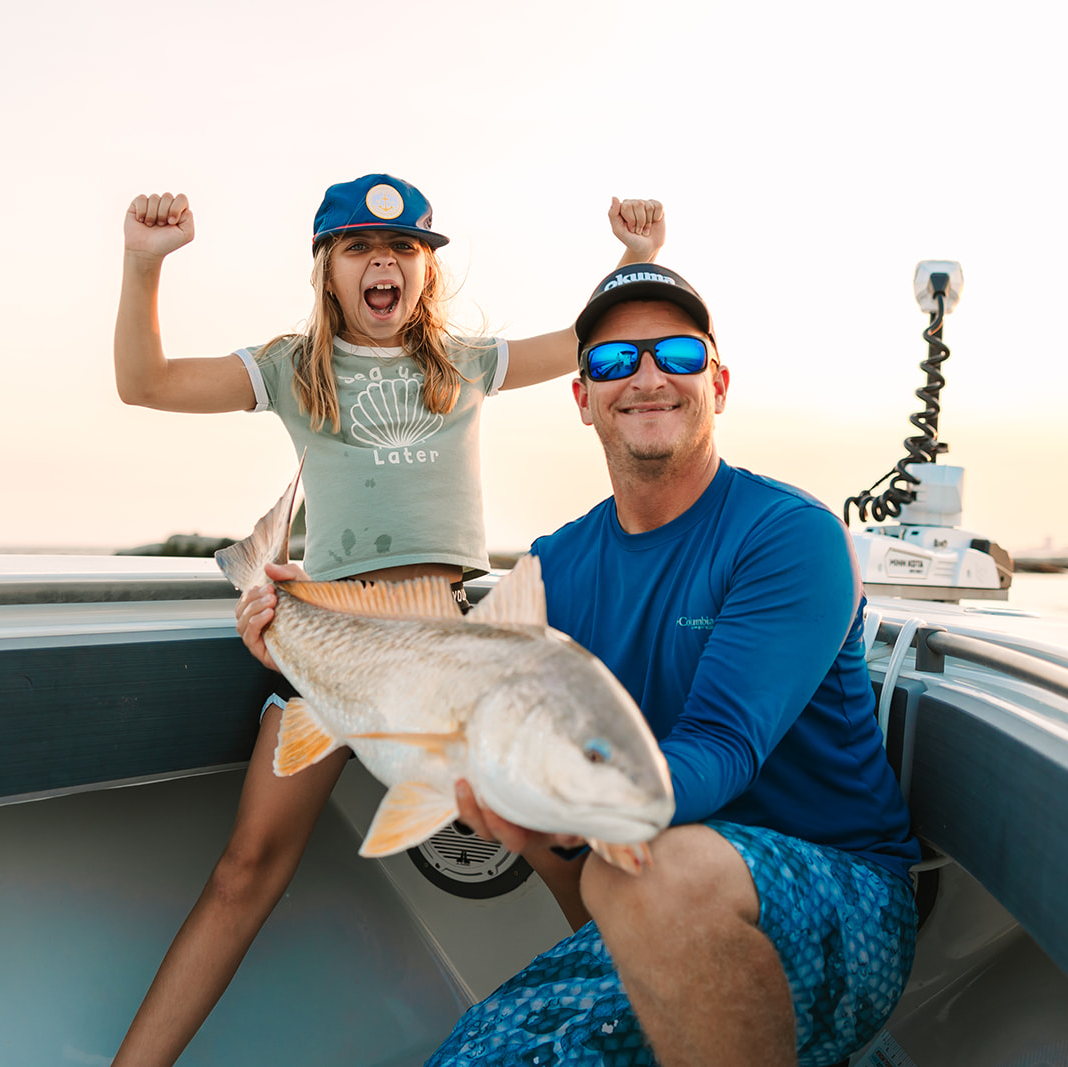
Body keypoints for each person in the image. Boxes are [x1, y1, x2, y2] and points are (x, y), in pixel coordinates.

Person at [238, 264, 920, 1067]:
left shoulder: (789, 535)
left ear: (720, 382)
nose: (649, 376)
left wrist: (566, 798)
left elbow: (723, 746)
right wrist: (292, 624)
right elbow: (444, 670)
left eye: (678, 353)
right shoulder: (556, 567)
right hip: (640, 893)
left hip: (842, 894)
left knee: (646, 869)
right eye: (612, 361)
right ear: (583, 397)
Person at [108, 173, 665, 1067]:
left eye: (405, 250)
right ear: (329, 269)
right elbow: (146, 382)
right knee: (246, 869)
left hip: (450, 646)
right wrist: (144, 265)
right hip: (330, 644)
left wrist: (635, 259)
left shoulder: (467, 364)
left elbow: (592, 337)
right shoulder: (296, 367)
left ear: (425, 272)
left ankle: (642, 1027)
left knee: (569, 843)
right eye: (361, 248)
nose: (385, 264)